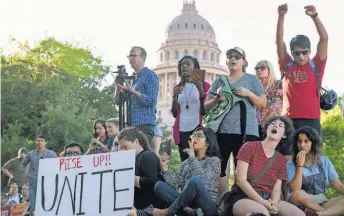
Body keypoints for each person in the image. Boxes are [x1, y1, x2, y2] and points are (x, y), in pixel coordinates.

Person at [204, 47, 266, 194]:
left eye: (237, 57)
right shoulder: (220, 81)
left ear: (243, 61)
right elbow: (206, 106)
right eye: (230, 56)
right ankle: (224, 202)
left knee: (245, 171)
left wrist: (248, 93)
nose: (233, 59)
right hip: (222, 131)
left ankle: (240, 201)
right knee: (219, 169)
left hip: (247, 132)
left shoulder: (252, 79)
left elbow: (262, 104)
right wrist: (217, 99)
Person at [225, 116, 304, 216]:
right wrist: (263, 202)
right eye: (273, 123)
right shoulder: (249, 147)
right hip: (244, 196)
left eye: (280, 126)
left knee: (299, 214)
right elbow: (241, 180)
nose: (275, 125)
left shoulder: (280, 159)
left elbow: (276, 189)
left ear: (284, 135)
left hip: (269, 198)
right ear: (267, 128)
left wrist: (274, 203)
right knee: (263, 213)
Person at [276, 4, 328, 136]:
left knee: (313, 156)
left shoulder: (316, 65)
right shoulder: (287, 64)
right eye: (297, 53)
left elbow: (324, 39)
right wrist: (281, 16)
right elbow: (279, 41)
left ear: (310, 51)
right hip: (289, 119)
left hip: (312, 120)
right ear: (292, 53)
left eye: (304, 52)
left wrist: (315, 17)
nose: (301, 56)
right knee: (287, 156)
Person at [149, 127, 221, 216]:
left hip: (207, 205)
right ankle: (191, 212)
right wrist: (165, 170)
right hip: (187, 204)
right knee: (159, 186)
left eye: (199, 136)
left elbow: (203, 181)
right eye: (193, 135)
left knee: (195, 181)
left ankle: (168, 212)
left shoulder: (214, 161)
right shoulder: (186, 162)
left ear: (207, 142)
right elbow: (176, 184)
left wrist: (192, 157)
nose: (194, 138)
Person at [287, 126, 344, 216]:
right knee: (297, 194)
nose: (302, 145)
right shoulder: (291, 164)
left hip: (322, 202)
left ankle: (318, 214)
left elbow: (338, 185)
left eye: (306, 141)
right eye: (299, 141)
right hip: (300, 203)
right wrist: (300, 165)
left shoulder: (325, 162)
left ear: (313, 143)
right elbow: (295, 190)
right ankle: (325, 213)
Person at [116, 46, 159, 146]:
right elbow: (118, 102)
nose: (131, 58)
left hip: (144, 125)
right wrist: (118, 86)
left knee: (143, 156)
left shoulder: (150, 75)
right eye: (129, 56)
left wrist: (132, 91)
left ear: (143, 57)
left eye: (134, 55)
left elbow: (151, 100)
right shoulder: (131, 78)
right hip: (129, 126)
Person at [172, 56, 210, 162]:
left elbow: (206, 110)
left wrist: (201, 92)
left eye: (187, 64)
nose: (184, 66)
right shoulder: (177, 87)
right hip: (181, 130)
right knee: (185, 162)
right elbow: (175, 113)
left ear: (195, 68)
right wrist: (174, 97)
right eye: (182, 64)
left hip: (198, 129)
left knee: (200, 161)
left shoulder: (205, 85)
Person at [117, 127, 162, 214]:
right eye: (121, 148)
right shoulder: (136, 159)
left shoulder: (147, 156)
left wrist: (127, 176)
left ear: (136, 142)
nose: (123, 150)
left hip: (149, 208)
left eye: (125, 147)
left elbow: (151, 182)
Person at [21, 135, 57, 215]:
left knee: (47, 204)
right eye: (38, 140)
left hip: (47, 183)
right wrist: (25, 173)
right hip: (33, 182)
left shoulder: (52, 154)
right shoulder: (31, 154)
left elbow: (57, 165)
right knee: (33, 205)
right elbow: (23, 164)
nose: (39, 142)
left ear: (45, 142)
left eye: (41, 140)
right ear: (36, 142)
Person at [255, 60, 283, 140]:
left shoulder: (279, 84)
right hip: (256, 126)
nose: (259, 70)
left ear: (269, 69)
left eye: (262, 68)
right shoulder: (255, 87)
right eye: (257, 68)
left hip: (273, 125)